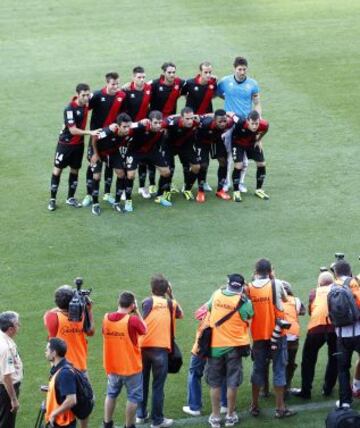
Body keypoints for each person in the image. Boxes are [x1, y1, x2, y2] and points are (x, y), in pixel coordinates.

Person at [246, 258, 296, 418]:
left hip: (258, 335)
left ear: (255, 271)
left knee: (258, 370)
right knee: (279, 369)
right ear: (270, 271)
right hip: (277, 334)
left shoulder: (249, 288)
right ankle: (280, 408)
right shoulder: (276, 284)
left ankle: (254, 405)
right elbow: (285, 299)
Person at [206, 274, 253, 428]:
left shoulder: (216, 294)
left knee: (215, 383)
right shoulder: (245, 302)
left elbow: (208, 308)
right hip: (235, 348)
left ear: (228, 284)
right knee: (232, 383)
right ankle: (230, 416)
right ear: (241, 286)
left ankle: (215, 416)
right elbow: (249, 316)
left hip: (215, 347)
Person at [136, 274, 184, 428]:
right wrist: (171, 295)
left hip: (143, 348)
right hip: (161, 350)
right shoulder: (171, 304)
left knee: (142, 382)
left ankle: (140, 415)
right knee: (158, 386)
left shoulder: (147, 302)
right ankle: (157, 421)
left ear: (151, 289)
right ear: (166, 289)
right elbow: (181, 314)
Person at [48, 83, 100, 211]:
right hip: (65, 145)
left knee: (75, 170)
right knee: (57, 170)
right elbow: (73, 130)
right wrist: (90, 132)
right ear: (77, 95)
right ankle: (52, 199)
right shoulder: (69, 109)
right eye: (84, 95)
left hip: (78, 145)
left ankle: (70, 198)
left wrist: (125, 86)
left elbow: (102, 92)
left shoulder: (87, 102)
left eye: (88, 95)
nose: (87, 98)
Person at [102, 291, 147, 428]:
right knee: (133, 398)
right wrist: (138, 311)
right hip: (131, 368)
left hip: (112, 367)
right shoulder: (132, 320)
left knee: (111, 394)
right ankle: (129, 425)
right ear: (132, 305)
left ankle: (107, 423)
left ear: (119, 302)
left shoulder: (106, 318)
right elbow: (145, 329)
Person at [82, 72, 127, 208]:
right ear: (107, 83)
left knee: (112, 166)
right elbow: (84, 108)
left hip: (112, 137)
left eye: (117, 84)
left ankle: (107, 194)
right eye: (113, 84)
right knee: (94, 167)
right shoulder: (97, 95)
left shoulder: (121, 96)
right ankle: (89, 195)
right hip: (97, 137)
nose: (115, 86)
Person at [217, 56, 262, 193]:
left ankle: (240, 182)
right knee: (230, 155)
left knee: (244, 159)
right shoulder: (225, 81)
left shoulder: (253, 84)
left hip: (246, 125)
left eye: (244, 69)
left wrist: (257, 119)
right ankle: (228, 182)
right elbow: (218, 93)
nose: (242, 72)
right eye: (240, 69)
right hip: (230, 124)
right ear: (234, 68)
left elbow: (257, 103)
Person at [292, 271, 337, 399]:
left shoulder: (314, 292)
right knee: (334, 358)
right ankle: (328, 388)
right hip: (334, 328)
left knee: (308, 360)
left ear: (319, 283)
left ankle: (306, 391)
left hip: (316, 328)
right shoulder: (338, 290)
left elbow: (311, 311)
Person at [182, 303, 227, 417]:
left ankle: (195, 407)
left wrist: (209, 303)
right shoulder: (228, 310)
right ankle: (225, 404)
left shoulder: (210, 307)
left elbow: (198, 313)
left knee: (194, 373)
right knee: (222, 374)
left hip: (201, 348)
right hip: (220, 348)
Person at [183, 61, 218, 193]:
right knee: (189, 154)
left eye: (210, 72)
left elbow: (213, 95)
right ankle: (187, 182)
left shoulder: (213, 83)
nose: (208, 75)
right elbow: (181, 93)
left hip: (206, 123)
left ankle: (203, 182)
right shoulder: (190, 83)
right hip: (191, 124)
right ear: (200, 72)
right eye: (206, 72)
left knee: (204, 153)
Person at [126, 111, 173, 207]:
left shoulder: (163, 125)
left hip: (152, 151)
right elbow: (128, 125)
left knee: (166, 172)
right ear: (150, 122)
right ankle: (128, 200)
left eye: (160, 123)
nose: (158, 125)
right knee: (130, 175)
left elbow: (174, 117)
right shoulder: (142, 126)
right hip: (135, 151)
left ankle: (159, 196)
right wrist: (139, 122)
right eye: (155, 123)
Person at [44, 285, 95, 373]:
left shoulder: (51, 317)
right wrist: (89, 310)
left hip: (60, 368)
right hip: (80, 365)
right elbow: (91, 332)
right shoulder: (82, 315)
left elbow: (48, 314)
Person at [90, 113, 133, 215]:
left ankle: (117, 202)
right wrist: (95, 154)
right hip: (98, 151)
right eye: (124, 127)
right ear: (118, 126)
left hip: (112, 151)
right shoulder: (109, 131)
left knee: (121, 174)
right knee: (96, 176)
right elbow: (94, 138)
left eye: (128, 126)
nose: (127, 129)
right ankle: (95, 204)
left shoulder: (130, 132)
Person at [331, 260, 360, 408]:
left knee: (342, 369)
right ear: (349, 271)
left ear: (335, 273)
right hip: (359, 332)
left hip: (341, 335)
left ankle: (345, 402)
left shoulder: (332, 286)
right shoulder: (356, 282)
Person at [122, 66, 155, 199]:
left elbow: (156, 82)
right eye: (139, 77)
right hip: (129, 130)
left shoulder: (148, 87)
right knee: (126, 161)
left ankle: (142, 187)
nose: (142, 80)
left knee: (143, 160)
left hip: (143, 130)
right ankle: (124, 189)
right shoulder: (126, 90)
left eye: (143, 77)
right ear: (133, 77)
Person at [192, 110, 233, 203]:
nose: (223, 124)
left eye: (224, 121)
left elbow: (237, 120)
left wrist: (231, 113)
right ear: (214, 120)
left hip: (216, 140)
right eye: (220, 122)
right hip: (202, 142)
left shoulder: (230, 122)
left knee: (223, 162)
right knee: (203, 165)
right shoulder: (205, 123)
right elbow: (195, 126)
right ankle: (201, 191)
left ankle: (220, 190)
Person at [229, 110, 269, 202]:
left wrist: (258, 140)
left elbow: (265, 130)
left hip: (251, 143)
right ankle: (236, 191)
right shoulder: (240, 121)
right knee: (239, 165)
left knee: (262, 164)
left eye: (256, 123)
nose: (255, 126)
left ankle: (259, 189)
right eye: (252, 123)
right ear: (248, 121)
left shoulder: (264, 124)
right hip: (237, 143)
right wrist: (228, 113)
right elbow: (230, 114)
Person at [164, 107, 200, 202]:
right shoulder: (173, 122)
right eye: (187, 118)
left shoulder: (197, 121)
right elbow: (160, 123)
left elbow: (213, 116)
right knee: (169, 169)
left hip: (185, 145)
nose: (190, 121)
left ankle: (187, 189)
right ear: (181, 118)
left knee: (196, 167)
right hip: (169, 146)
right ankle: (167, 191)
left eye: (191, 118)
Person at [45, 338, 77, 428]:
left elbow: (71, 400)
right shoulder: (59, 367)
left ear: (54, 353)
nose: (45, 352)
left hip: (63, 422)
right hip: (59, 420)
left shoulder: (65, 373)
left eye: (47, 350)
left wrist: (54, 414)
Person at [282, 282, 305, 393]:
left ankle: (265, 390)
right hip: (292, 336)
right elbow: (303, 311)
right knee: (290, 363)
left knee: (278, 363)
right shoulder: (296, 300)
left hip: (278, 335)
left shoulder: (273, 301)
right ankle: (287, 388)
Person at [0, 312, 23, 428]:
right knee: (6, 423)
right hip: (6, 390)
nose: (19, 326)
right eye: (18, 324)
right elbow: (6, 376)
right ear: (10, 329)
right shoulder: (4, 348)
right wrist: (13, 399)